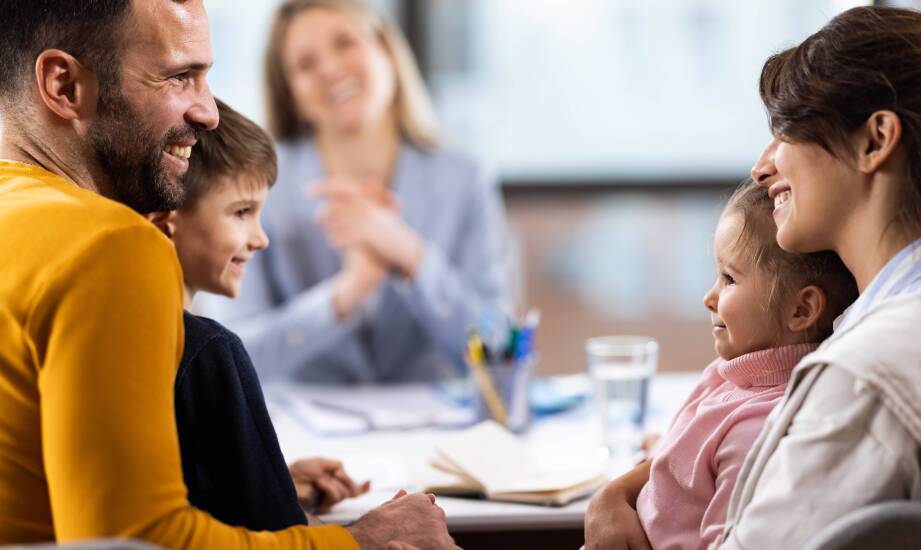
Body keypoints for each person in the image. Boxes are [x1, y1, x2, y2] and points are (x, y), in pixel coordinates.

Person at [0, 1, 456, 548]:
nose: (209, 112)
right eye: (179, 76)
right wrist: (358, 542)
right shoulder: (110, 245)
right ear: (64, 84)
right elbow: (134, 541)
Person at [200, 0, 511, 384]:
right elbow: (231, 355)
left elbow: (501, 352)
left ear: (386, 51)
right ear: (291, 94)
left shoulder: (466, 180)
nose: (330, 69)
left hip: (433, 430)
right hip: (302, 434)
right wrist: (343, 297)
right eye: (305, 64)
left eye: (345, 42)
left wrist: (411, 257)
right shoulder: (254, 185)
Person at [718, 6, 921, 548]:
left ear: (876, 140)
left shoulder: (871, 371)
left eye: (786, 130)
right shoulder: (873, 325)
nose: (761, 169)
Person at [584, 180, 858, 550]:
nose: (708, 297)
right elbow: (680, 463)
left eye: (729, 279)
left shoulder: (757, 427)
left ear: (801, 310)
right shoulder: (727, 377)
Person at [146, 98, 370, 531]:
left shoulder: (134, 333)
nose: (260, 239)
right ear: (164, 221)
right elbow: (281, 531)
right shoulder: (208, 353)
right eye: (242, 212)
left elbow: (190, 489)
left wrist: (271, 479)